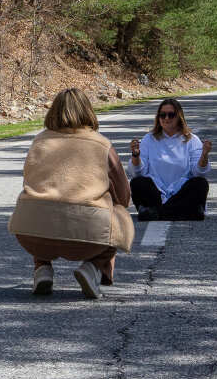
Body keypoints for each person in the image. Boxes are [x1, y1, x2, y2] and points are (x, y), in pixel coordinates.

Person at [7, 87, 135, 298]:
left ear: (53, 111)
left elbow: (30, 180)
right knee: (120, 214)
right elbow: (124, 194)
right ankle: (93, 267)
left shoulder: (39, 141)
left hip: (31, 234)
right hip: (86, 239)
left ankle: (42, 268)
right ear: (88, 111)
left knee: (41, 207)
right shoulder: (102, 144)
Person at [127, 97, 210, 221]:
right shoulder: (148, 139)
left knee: (200, 184)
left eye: (171, 115)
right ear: (158, 118)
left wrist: (204, 156)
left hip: (180, 191)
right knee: (137, 183)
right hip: (156, 193)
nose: (166, 118)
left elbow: (198, 172)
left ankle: (156, 213)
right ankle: (184, 212)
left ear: (179, 117)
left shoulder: (192, 140)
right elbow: (138, 173)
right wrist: (135, 156)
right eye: (162, 115)